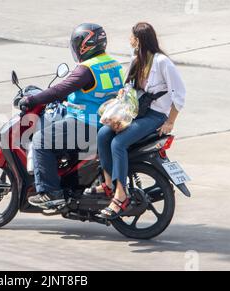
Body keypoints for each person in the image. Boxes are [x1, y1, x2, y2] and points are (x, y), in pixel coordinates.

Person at [20, 23, 125, 209]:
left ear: (83, 46)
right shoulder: (114, 64)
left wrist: (33, 100)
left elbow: (61, 89)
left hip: (87, 124)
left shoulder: (86, 68)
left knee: (40, 141)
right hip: (108, 123)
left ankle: (50, 192)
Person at [91, 22, 186, 219]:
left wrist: (170, 122)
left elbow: (180, 93)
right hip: (135, 113)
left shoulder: (161, 62)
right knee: (103, 134)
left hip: (154, 116)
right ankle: (108, 184)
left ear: (139, 39)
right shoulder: (136, 59)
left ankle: (120, 194)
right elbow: (129, 88)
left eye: (132, 36)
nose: (129, 39)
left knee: (118, 143)